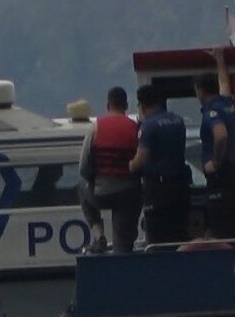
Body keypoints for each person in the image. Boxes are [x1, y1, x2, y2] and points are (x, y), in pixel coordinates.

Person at [78, 87, 142, 253]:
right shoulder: (135, 128)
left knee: (82, 191)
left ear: (108, 105)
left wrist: (94, 180)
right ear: (126, 106)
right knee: (123, 247)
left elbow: (83, 167)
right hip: (128, 194)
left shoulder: (95, 127)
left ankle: (99, 237)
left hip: (101, 194)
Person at [129, 85, 191, 245]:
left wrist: (129, 166)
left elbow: (141, 159)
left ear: (141, 105)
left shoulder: (149, 126)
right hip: (180, 184)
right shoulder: (177, 120)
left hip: (158, 188)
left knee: (158, 236)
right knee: (178, 231)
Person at [195, 48, 235, 239]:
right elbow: (224, 83)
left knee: (221, 221)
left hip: (220, 175)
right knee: (233, 216)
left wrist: (215, 162)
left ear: (200, 91)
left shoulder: (211, 112)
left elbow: (221, 135)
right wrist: (219, 59)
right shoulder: (227, 102)